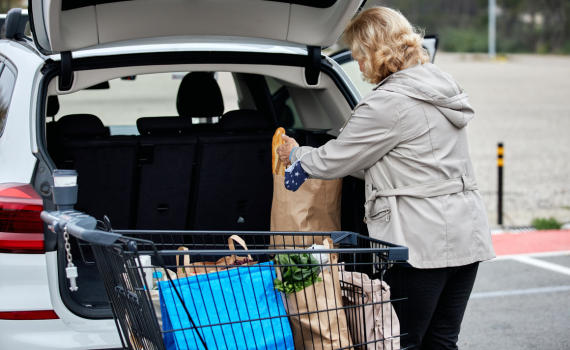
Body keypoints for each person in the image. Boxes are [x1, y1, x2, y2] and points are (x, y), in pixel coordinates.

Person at [276, 6, 496, 350]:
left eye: (359, 55)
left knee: (401, 342)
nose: (359, 65)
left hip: (420, 243)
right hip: (468, 234)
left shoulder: (388, 102)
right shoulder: (440, 86)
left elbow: (336, 158)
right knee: (441, 341)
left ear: (375, 51)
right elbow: (401, 160)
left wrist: (295, 155)